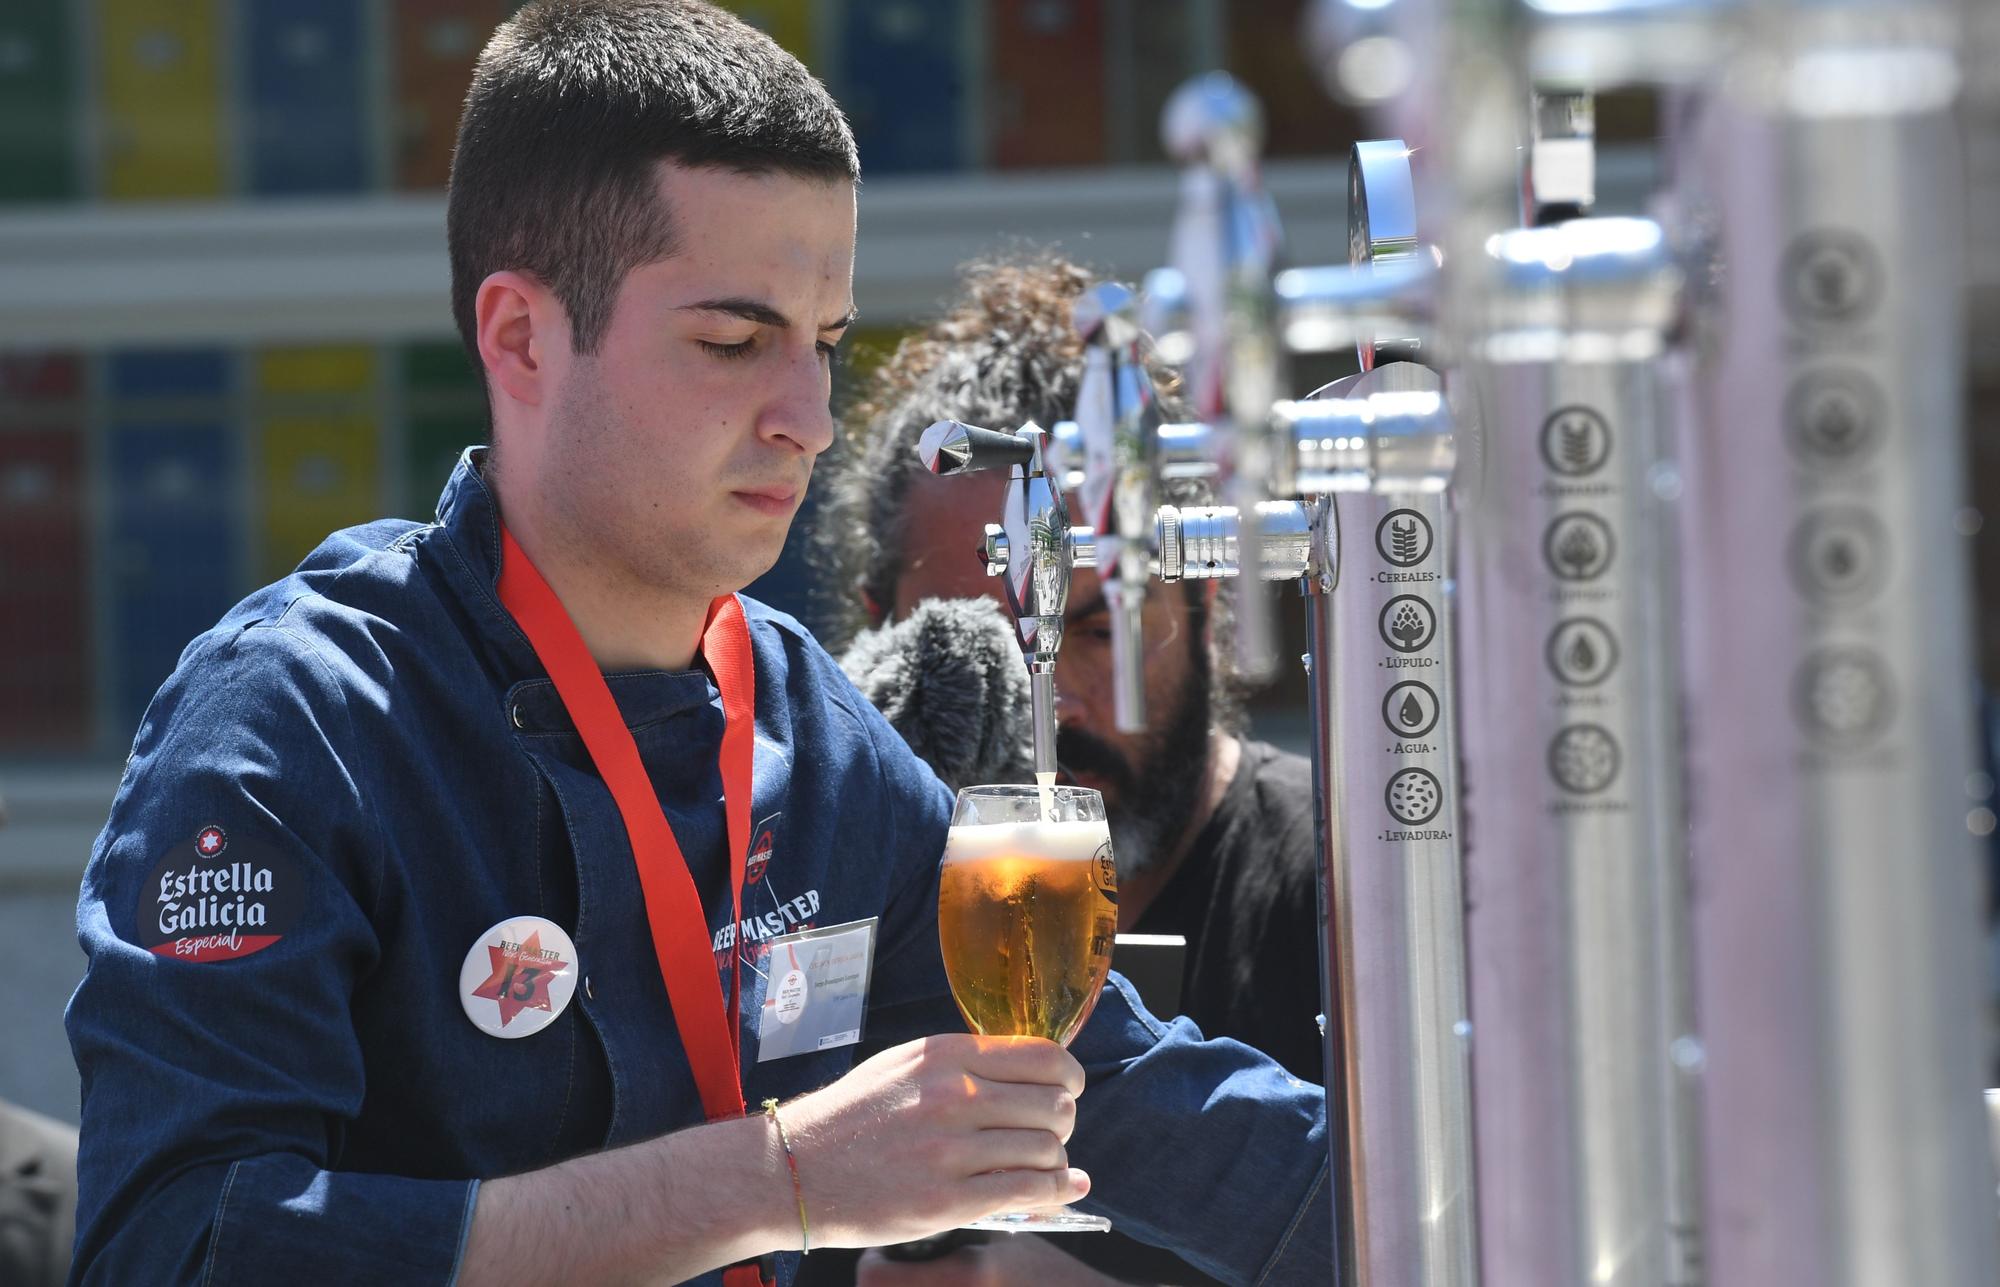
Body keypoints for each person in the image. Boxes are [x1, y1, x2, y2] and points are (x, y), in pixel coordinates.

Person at [63, 5, 1329, 1286]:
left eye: (825, 346)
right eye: (733, 342)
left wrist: (1482, 1220)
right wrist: (778, 1180)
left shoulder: (801, 714)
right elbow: (175, 1248)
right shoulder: (299, 716)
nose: (809, 419)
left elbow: (1117, 1092)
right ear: (518, 338)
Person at [811, 255, 1325, 1286]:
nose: (1052, 701)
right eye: (987, 642)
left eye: (1096, 630)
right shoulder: (818, 907)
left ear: (1205, 608)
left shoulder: (1341, 887)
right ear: (890, 640)